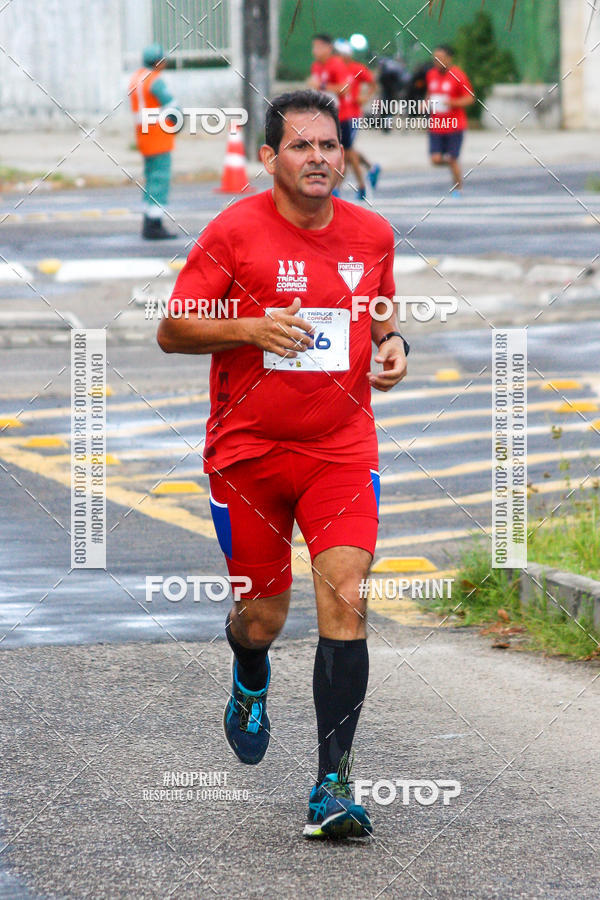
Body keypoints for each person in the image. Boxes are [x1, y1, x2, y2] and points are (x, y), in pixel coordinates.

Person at [157, 89, 409, 839]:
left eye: (329, 145)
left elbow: (382, 314)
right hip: (249, 456)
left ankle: (332, 786)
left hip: (339, 450)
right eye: (301, 146)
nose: (319, 158)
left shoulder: (373, 233)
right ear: (269, 158)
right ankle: (249, 672)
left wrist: (396, 348)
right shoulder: (233, 232)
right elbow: (173, 329)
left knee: (347, 596)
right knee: (263, 618)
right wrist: (248, 326)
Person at [129, 43, 177, 239]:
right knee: (160, 179)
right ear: (158, 62)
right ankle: (154, 225)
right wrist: (176, 122)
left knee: (150, 178)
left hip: (143, 136)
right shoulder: (155, 81)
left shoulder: (135, 79)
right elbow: (172, 106)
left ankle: (148, 221)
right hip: (159, 135)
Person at [306, 34, 361, 198]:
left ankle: (360, 184)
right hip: (324, 117)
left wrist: (322, 85)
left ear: (328, 48)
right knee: (330, 150)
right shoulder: (316, 66)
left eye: (318, 47)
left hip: (343, 115)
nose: (315, 51)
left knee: (347, 152)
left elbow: (345, 89)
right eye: (313, 47)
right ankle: (336, 186)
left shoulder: (336, 64)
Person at [426, 44, 475, 195]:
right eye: (435, 59)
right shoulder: (431, 74)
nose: (437, 62)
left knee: (453, 158)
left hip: (454, 125)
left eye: (440, 59)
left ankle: (457, 188)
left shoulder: (458, 75)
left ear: (448, 59)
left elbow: (469, 98)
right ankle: (452, 164)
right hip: (436, 125)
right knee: (435, 159)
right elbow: (430, 94)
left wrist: (452, 103)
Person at [334, 40, 381, 193]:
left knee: (347, 151)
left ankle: (357, 185)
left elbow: (373, 83)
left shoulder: (357, 68)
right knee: (346, 150)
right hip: (336, 114)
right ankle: (370, 168)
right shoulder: (333, 69)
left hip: (352, 114)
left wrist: (365, 97)